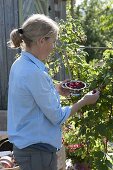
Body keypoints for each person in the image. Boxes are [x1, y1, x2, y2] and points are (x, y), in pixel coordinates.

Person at [7, 14, 100, 170]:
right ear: (42, 41)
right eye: (53, 41)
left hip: (29, 150)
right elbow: (57, 117)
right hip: (37, 153)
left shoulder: (20, 64)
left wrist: (56, 88)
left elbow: (30, 94)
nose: (54, 46)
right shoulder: (34, 73)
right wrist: (84, 100)